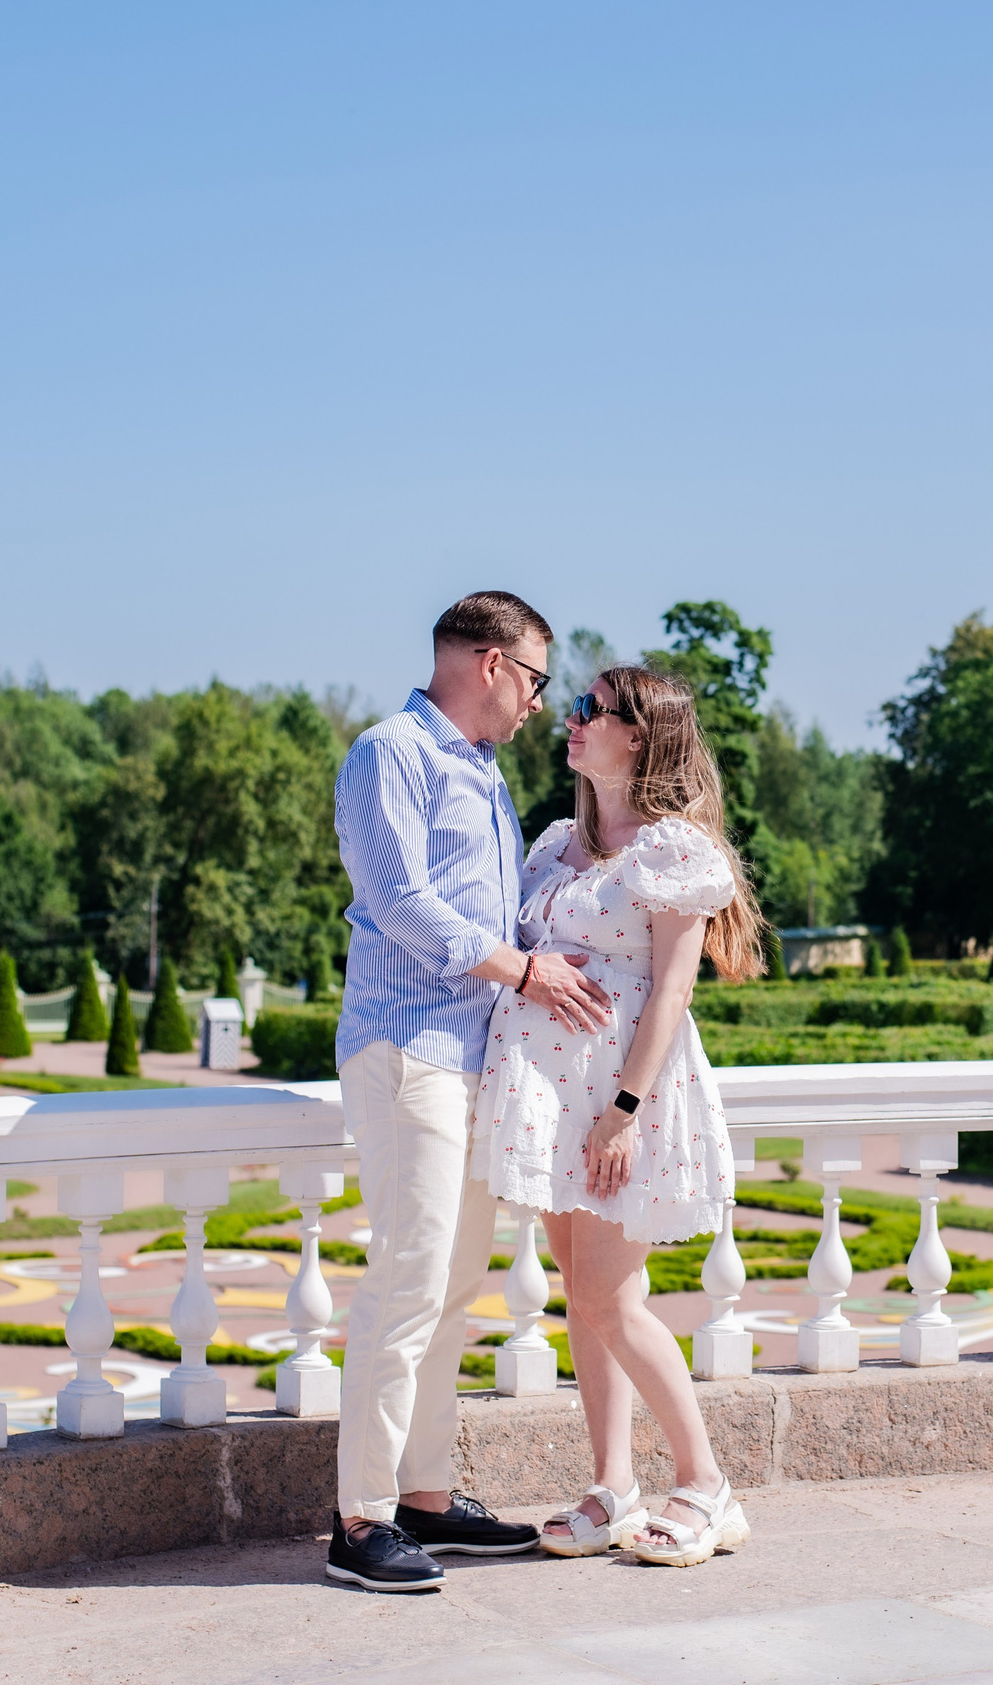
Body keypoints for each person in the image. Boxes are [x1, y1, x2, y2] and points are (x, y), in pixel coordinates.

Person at [325, 590, 614, 1594]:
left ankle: (426, 1497)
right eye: (537, 678)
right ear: (490, 663)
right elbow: (399, 899)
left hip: (475, 1058)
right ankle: (357, 1518)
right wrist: (526, 971)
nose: (541, 702)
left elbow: (496, 914)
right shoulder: (388, 753)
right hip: (409, 1047)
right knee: (406, 1279)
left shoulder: (481, 772)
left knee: (451, 1289)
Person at [472, 662, 768, 1568]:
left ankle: (707, 1484)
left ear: (638, 735)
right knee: (586, 1300)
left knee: (610, 1295)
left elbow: (673, 992)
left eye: (590, 710)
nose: (570, 719)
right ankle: (612, 1488)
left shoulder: (673, 849)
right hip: (552, 1102)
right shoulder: (556, 841)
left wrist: (626, 1111)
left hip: (622, 1100)